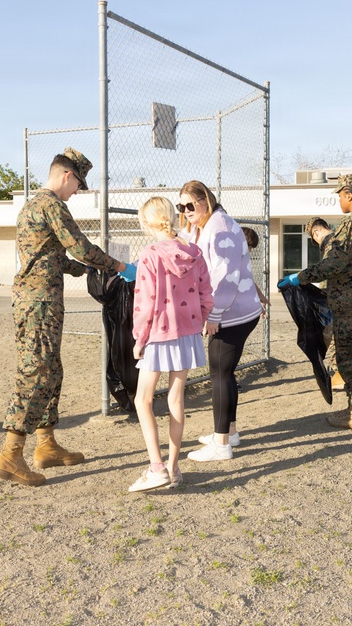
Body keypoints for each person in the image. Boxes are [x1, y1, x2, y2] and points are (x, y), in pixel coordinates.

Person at [0, 148, 136, 487]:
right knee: (36, 371)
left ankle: (47, 445)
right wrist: (117, 266)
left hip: (38, 301)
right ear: (67, 175)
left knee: (52, 369)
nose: (77, 192)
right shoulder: (53, 205)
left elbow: (53, 257)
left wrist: (84, 269)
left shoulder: (32, 205)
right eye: (78, 185)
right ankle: (10, 454)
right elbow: (79, 247)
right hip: (39, 302)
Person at [279, 174, 352, 433]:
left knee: (349, 358)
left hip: (350, 302)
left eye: (339, 194)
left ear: (348, 194)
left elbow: (333, 264)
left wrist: (300, 277)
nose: (338, 199)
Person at [128, 197, 213, 492]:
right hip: (187, 333)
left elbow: (145, 302)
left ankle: (156, 467)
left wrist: (140, 339)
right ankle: (174, 469)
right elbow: (206, 293)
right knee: (176, 400)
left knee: (143, 400)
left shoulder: (150, 253)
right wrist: (197, 320)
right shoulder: (194, 251)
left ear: (148, 222)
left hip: (159, 333)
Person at [177, 180, 263, 461]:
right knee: (224, 373)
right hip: (235, 311)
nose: (186, 210)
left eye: (191, 204)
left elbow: (225, 277)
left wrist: (213, 315)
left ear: (206, 200)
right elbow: (185, 244)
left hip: (231, 314)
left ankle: (221, 443)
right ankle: (230, 431)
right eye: (181, 206)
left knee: (220, 375)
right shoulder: (209, 225)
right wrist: (187, 226)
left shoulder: (220, 227)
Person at [305, 217, 344, 391]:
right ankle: (340, 374)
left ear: (316, 232)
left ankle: (339, 375)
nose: (317, 241)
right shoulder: (339, 239)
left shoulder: (331, 242)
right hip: (342, 297)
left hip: (340, 299)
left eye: (315, 238)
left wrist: (301, 278)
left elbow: (328, 269)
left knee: (337, 336)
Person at [240, 226, 270, 316]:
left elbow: (247, 279)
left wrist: (260, 295)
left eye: (251, 248)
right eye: (248, 246)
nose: (249, 251)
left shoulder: (243, 259)